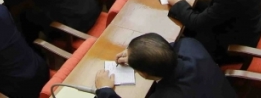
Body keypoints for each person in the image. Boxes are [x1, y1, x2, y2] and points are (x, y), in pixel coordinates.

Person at [94, 34, 236, 98]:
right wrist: (135, 54)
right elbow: (169, 48)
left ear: (144, 73)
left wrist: (105, 89)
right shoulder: (190, 44)